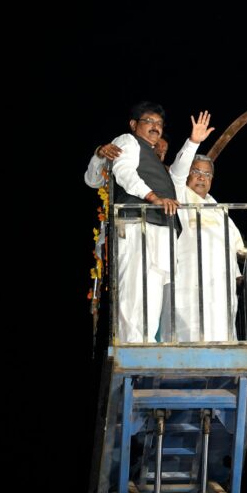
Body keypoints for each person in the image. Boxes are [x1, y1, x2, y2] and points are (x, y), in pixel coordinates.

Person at [168, 112, 246, 342]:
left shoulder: (219, 210)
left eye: (207, 174)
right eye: (196, 172)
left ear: (212, 180)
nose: (201, 178)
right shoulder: (180, 194)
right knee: (191, 335)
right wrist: (193, 142)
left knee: (223, 333)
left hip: (221, 287)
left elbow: (239, 247)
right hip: (190, 282)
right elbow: (176, 172)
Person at [108, 101, 182, 343]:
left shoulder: (152, 155)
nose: (155, 126)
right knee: (134, 286)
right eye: (149, 121)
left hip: (159, 228)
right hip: (137, 224)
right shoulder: (128, 141)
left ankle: (146, 343)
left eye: (159, 123)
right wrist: (153, 197)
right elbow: (124, 172)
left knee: (153, 288)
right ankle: (131, 345)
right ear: (133, 124)